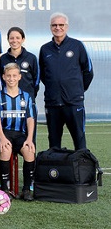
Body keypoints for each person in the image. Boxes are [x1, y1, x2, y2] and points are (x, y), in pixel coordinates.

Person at [39, 12, 93, 150]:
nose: (58, 27)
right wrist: (54, 87)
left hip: (73, 102)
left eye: (61, 25)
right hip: (52, 103)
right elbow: (44, 75)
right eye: (54, 25)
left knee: (79, 139)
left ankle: (82, 164)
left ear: (66, 27)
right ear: (50, 27)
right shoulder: (45, 49)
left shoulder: (77, 45)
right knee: (54, 142)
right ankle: (55, 165)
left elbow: (88, 71)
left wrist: (78, 89)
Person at [0, 63, 36, 201]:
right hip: (3, 133)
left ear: (19, 77)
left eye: (14, 76)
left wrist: (29, 139)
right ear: (3, 77)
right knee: (5, 150)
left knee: (29, 151)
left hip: (19, 134)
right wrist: (2, 138)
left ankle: (26, 189)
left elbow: (30, 119)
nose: (11, 78)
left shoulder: (26, 96)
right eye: (8, 76)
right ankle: (5, 188)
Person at [0, 27, 39, 100]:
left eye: (18, 38)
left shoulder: (31, 58)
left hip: (28, 99)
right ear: (8, 40)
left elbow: (36, 80)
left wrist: (31, 94)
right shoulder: (3, 58)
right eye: (12, 38)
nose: (14, 41)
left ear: (23, 39)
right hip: (9, 99)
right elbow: (2, 79)